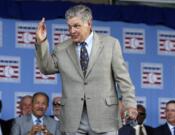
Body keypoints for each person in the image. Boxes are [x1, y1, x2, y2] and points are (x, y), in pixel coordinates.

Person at [35, 4, 137, 135]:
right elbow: (45, 68)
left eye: (76, 26)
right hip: (73, 119)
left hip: (104, 117)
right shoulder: (61, 48)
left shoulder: (111, 44)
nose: (71, 31)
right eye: (69, 26)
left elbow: (123, 80)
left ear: (89, 23)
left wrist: (130, 105)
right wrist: (41, 42)